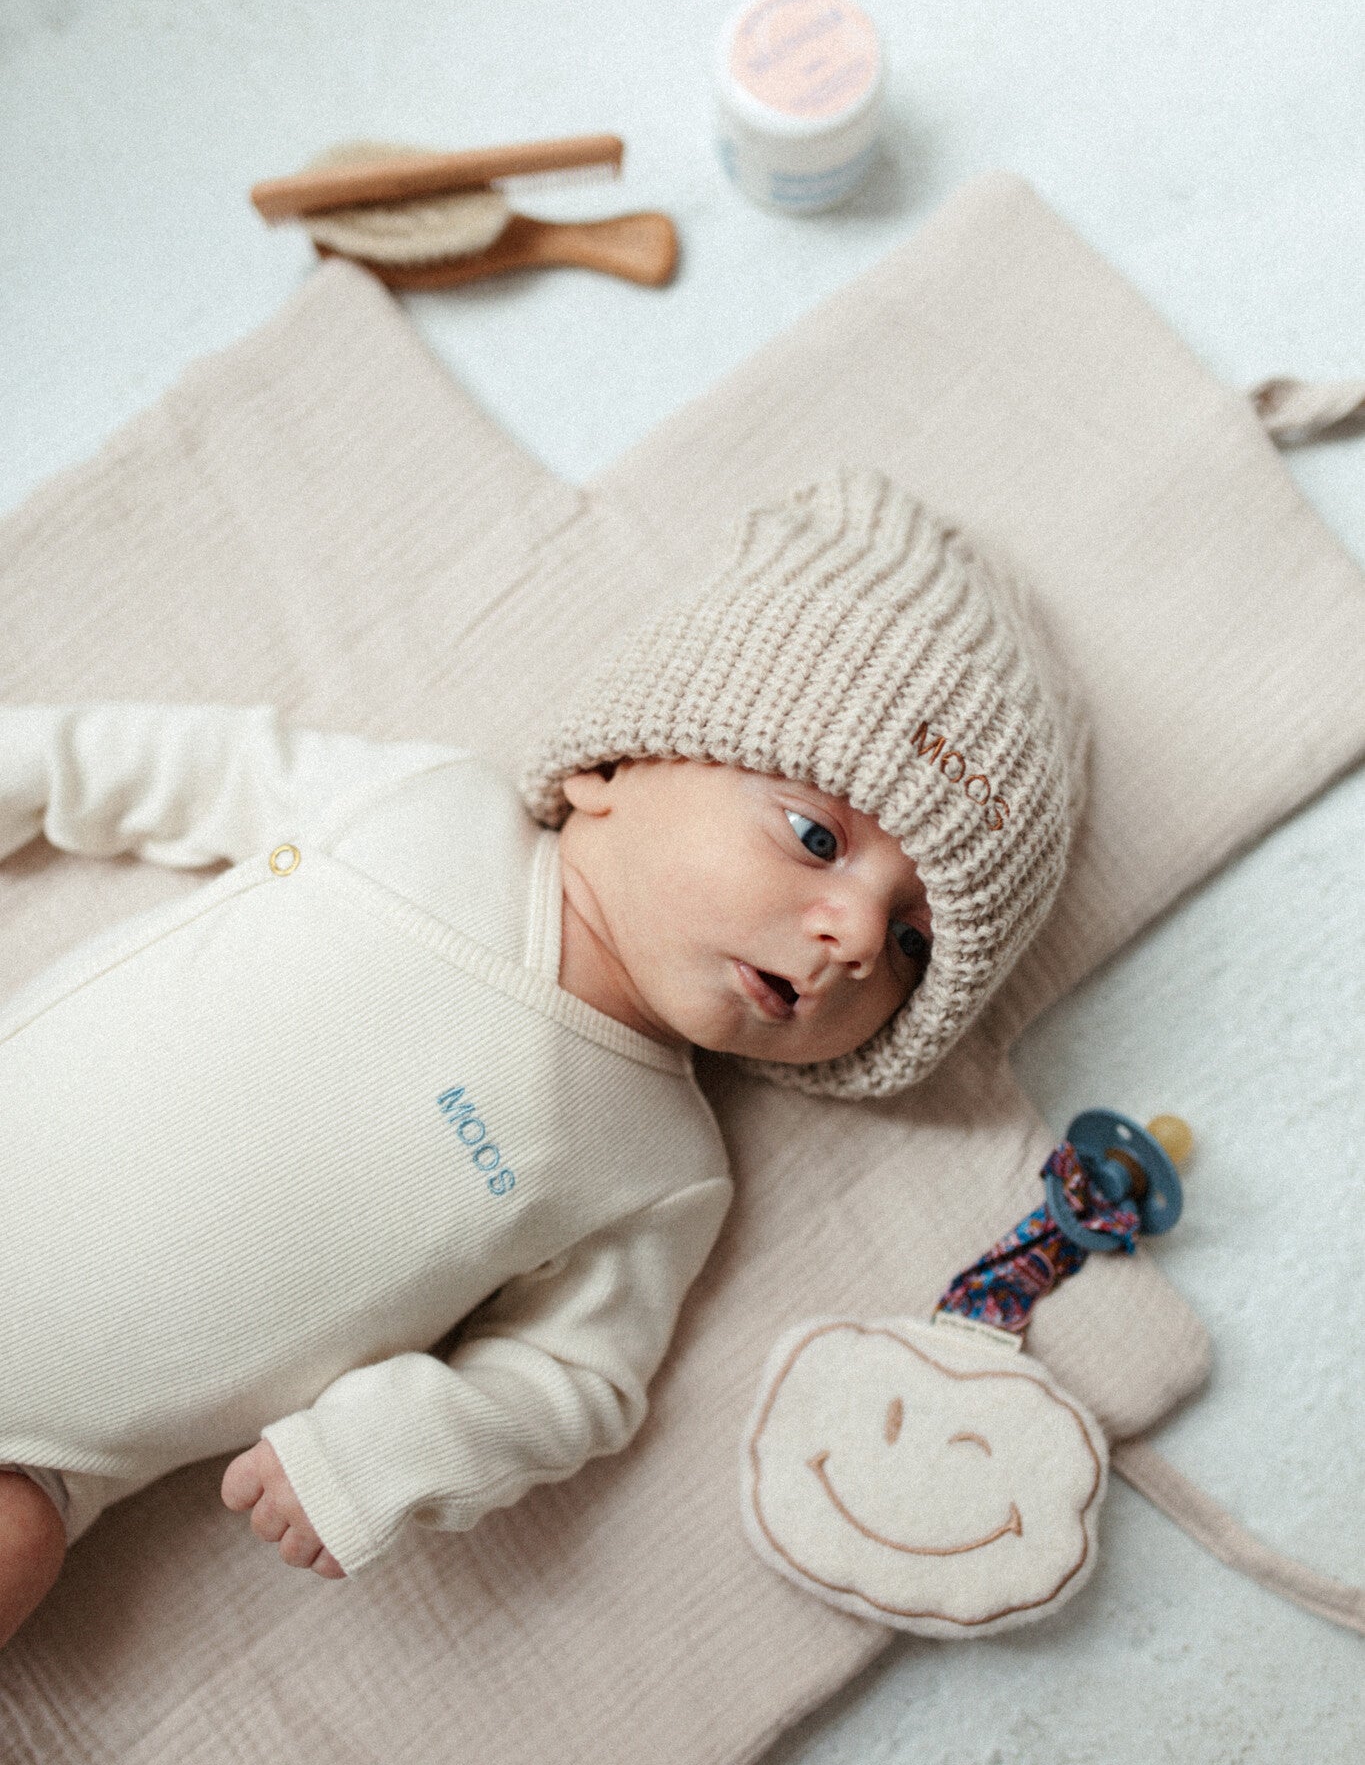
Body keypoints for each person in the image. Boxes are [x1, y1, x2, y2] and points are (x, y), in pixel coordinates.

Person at [0, 469, 1083, 1645]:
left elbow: (576, 1383)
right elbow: (158, 766)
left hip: (49, 1455)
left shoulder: (663, 1167)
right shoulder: (420, 808)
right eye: (815, 835)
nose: (858, 936)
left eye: (915, 943)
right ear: (611, 766)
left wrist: (400, 1440)